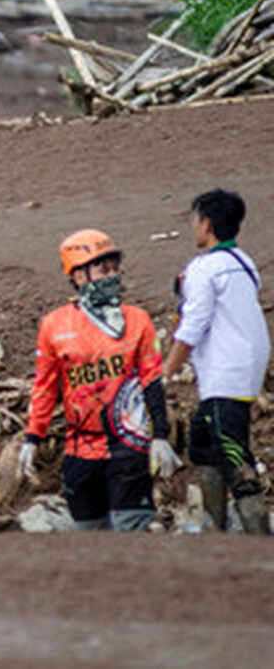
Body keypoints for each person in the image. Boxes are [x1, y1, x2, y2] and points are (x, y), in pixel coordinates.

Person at [19, 229, 180, 531]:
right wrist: (32, 438)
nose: (112, 276)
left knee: (130, 529)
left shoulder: (137, 320)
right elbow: (46, 386)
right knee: (90, 539)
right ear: (79, 276)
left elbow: (151, 382)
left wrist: (160, 435)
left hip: (129, 448)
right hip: (80, 453)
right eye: (102, 269)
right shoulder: (54, 325)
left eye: (114, 268)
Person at [164, 189, 271, 534]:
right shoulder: (243, 262)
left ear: (206, 224)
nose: (193, 227)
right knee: (203, 444)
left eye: (194, 220)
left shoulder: (205, 268)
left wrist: (166, 370)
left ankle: (257, 538)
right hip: (243, 372)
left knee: (233, 456)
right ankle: (217, 528)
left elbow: (193, 325)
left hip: (227, 375)